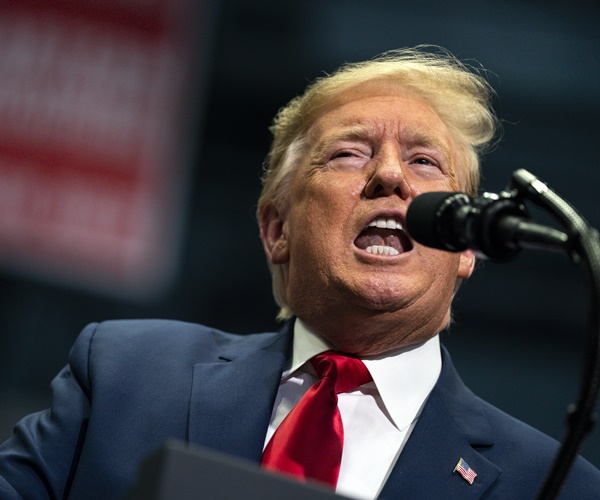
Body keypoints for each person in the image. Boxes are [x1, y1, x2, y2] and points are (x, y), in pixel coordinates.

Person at [1, 46, 599, 499]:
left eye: (424, 161)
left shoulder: (555, 484)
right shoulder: (123, 374)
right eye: (348, 153)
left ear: (466, 246)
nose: (390, 177)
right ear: (276, 230)